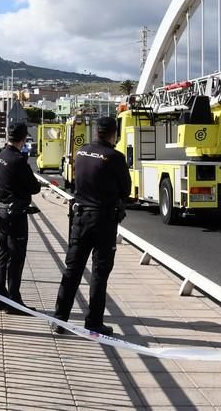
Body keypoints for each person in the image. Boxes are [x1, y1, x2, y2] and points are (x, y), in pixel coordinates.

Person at [51, 116, 131, 335]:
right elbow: (127, 190)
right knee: (99, 272)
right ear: (114, 134)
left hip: (79, 217)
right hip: (103, 220)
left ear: (96, 132)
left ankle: (59, 319)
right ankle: (94, 322)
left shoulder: (81, 152)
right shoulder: (115, 157)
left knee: (73, 269)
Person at [0, 123, 42, 315]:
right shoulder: (18, 159)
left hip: (2, 211)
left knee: (2, 253)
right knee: (16, 258)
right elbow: (34, 187)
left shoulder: (1, 156)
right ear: (23, 139)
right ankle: (14, 301)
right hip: (16, 215)